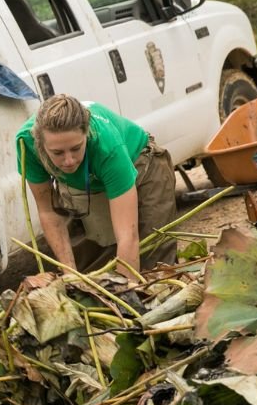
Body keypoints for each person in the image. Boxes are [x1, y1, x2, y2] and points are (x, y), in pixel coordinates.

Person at [16, 94, 177, 277]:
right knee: (101, 258)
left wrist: (126, 294)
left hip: (143, 165)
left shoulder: (106, 146)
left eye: (76, 148)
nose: (68, 160)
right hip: (95, 180)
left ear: (87, 134)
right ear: (40, 143)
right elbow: (47, 211)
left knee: (154, 257)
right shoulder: (26, 144)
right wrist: (71, 275)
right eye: (58, 152)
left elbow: (127, 235)